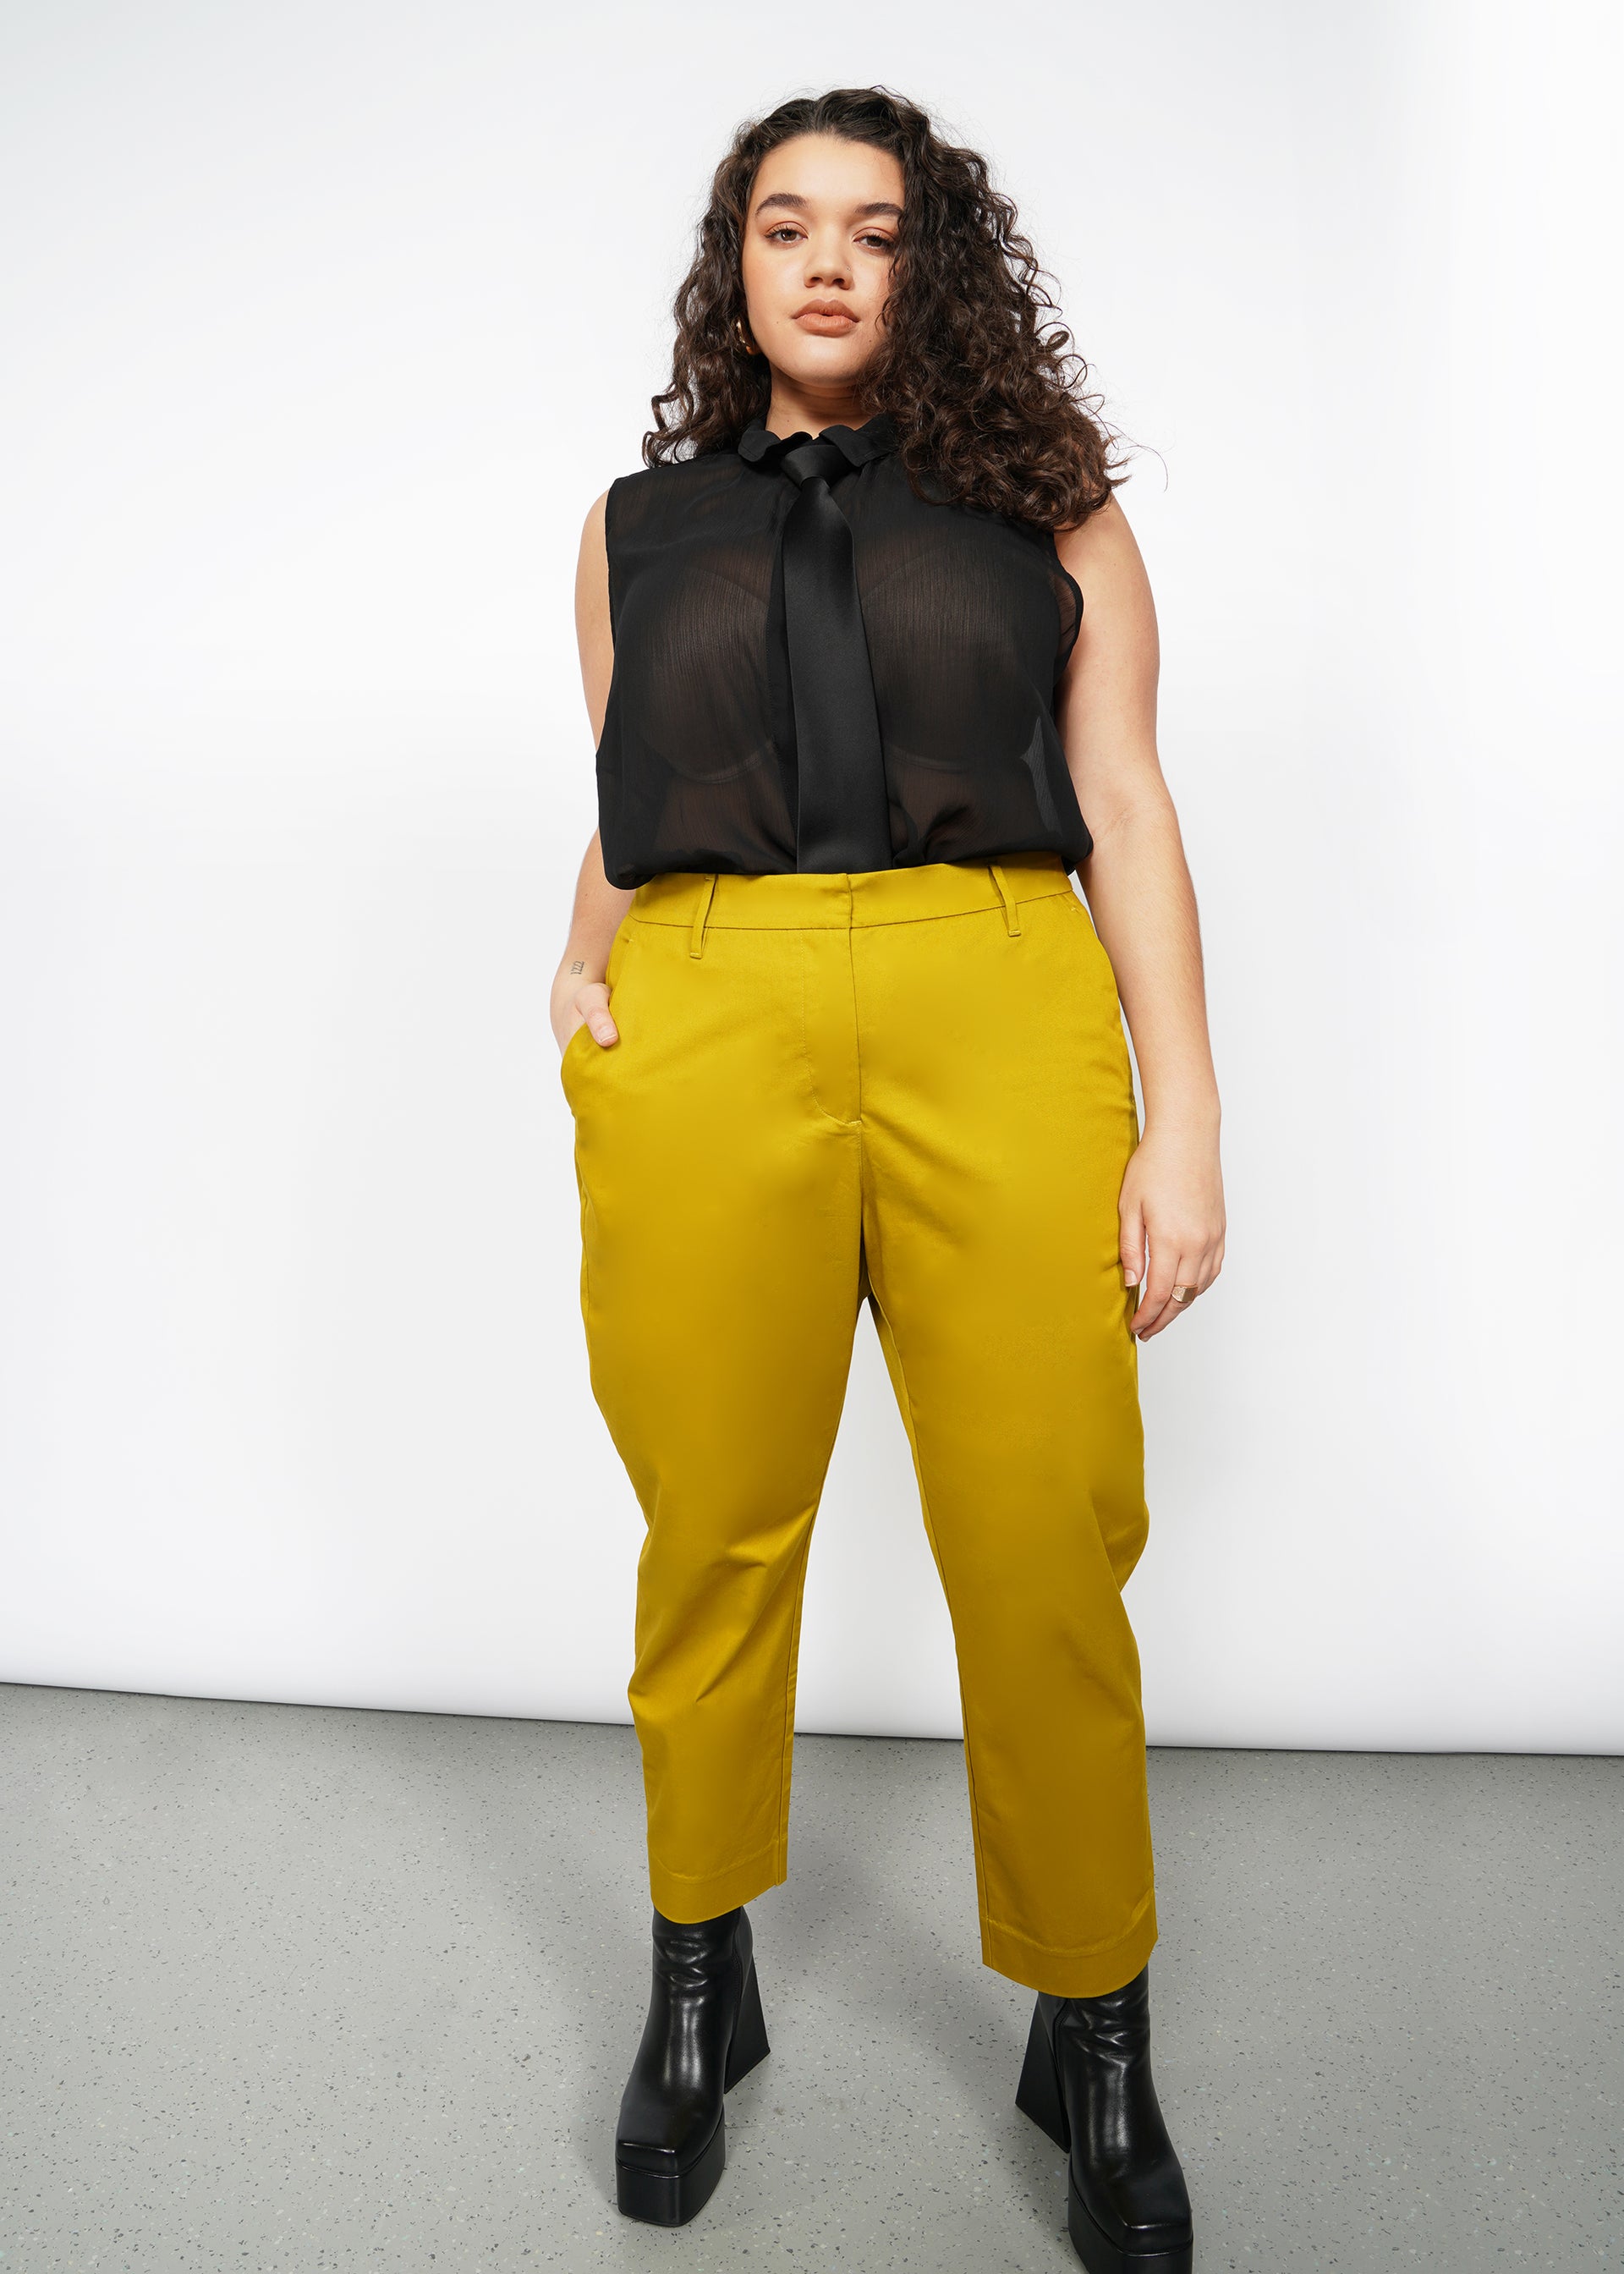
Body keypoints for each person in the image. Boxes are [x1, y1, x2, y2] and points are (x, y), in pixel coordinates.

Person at [553, 85, 1223, 2274]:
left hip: (997, 989)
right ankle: (696, 1970)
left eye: (875, 230)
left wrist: (1184, 1119)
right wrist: (585, 969)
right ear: (733, 262)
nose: (826, 261)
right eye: (784, 224)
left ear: (935, 270)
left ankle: (1095, 2021)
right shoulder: (636, 522)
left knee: (1045, 1524)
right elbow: (632, 778)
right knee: (714, 1517)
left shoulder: (1052, 515)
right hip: (713, 1008)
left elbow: (1122, 799)